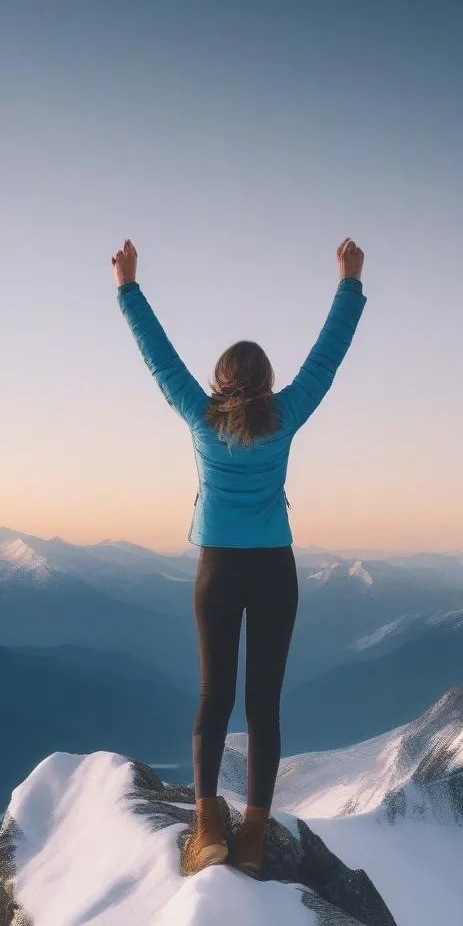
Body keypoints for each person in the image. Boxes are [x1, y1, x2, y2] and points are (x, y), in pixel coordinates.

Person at [112, 236, 367, 877]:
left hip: (218, 570)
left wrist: (128, 287)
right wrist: (349, 282)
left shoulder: (200, 417)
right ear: (268, 382)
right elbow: (327, 357)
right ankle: (252, 833)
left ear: (220, 382)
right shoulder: (285, 415)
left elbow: (159, 358)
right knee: (264, 706)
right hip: (275, 570)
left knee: (212, 697)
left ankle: (208, 826)